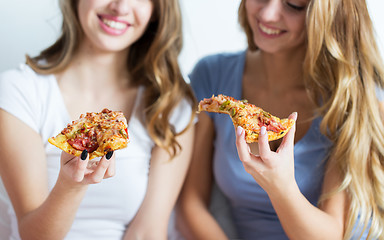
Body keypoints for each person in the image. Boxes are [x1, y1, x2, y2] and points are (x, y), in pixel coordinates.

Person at [177, 0, 384, 239]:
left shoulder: (353, 98)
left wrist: (280, 187)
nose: (267, 13)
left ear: (327, 16)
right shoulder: (212, 75)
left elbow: (333, 234)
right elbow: (191, 204)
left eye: (294, 5)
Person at [0, 0, 196, 239]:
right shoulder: (18, 91)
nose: (121, 7)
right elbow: (32, 235)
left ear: (157, 11)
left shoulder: (169, 103)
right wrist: (70, 186)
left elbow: (148, 233)